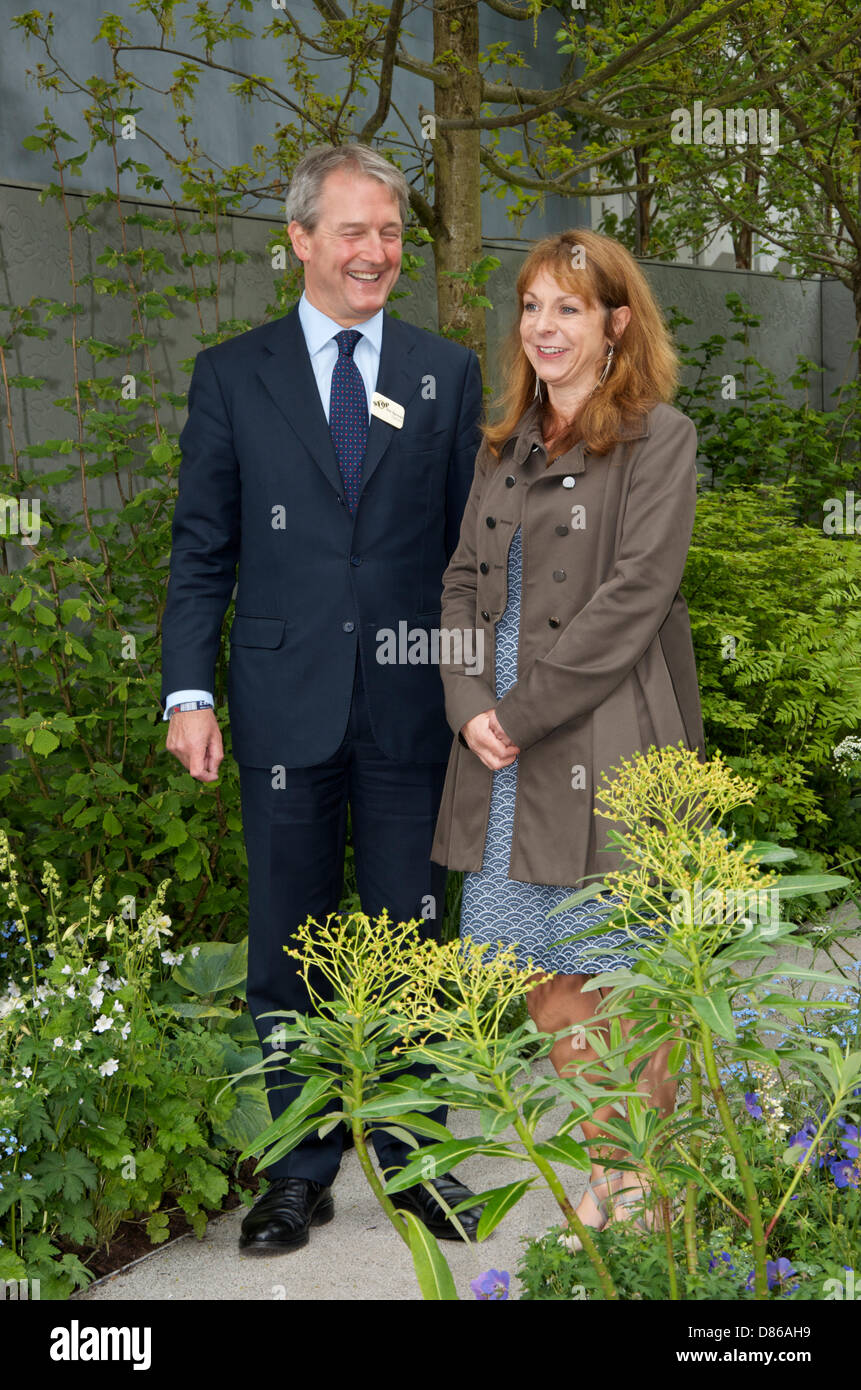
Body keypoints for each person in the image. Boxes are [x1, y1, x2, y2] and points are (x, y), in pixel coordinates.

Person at [162, 143, 485, 1254]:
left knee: (411, 942)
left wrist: (481, 693)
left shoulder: (445, 373)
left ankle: (413, 1159)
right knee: (287, 948)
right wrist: (189, 689)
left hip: (410, 705)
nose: (376, 251)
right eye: (352, 230)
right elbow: (202, 547)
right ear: (300, 239)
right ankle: (299, 1171)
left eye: (391, 231)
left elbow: (467, 559)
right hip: (284, 700)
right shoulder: (232, 373)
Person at [431, 227, 705, 1241]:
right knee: (549, 980)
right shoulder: (501, 444)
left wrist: (517, 710)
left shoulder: (658, 440)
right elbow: (461, 581)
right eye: (532, 307)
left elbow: (636, 596)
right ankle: (610, 1161)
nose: (545, 327)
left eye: (569, 308)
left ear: (615, 324)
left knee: (620, 970)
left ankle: (642, 1182)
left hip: (604, 736)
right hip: (500, 749)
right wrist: (468, 708)